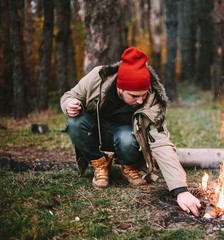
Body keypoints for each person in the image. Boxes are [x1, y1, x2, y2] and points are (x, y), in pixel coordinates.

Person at [60, 47, 201, 216]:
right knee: (74, 122)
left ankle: (128, 166)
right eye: (134, 96)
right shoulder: (98, 77)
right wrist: (69, 104)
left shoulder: (152, 99)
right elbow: (70, 95)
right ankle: (100, 163)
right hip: (97, 132)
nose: (140, 100)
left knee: (126, 137)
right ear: (120, 88)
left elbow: (161, 143)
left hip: (128, 137)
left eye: (143, 94)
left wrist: (181, 190)